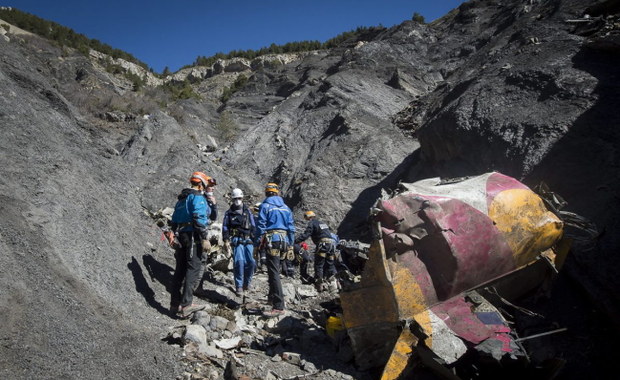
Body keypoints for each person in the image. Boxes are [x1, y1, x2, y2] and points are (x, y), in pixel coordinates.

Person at [169, 171, 211, 318]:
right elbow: (199, 216)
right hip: (194, 236)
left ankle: (174, 304)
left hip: (181, 235)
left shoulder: (181, 199)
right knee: (193, 268)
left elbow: (173, 219)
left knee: (179, 269)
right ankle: (186, 304)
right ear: (200, 184)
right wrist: (204, 237)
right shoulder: (197, 197)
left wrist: (173, 233)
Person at [256, 182, 295, 317]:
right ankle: (272, 299)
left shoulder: (265, 206)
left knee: (273, 272)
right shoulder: (286, 208)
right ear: (277, 193)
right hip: (284, 240)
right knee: (275, 270)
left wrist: (257, 242)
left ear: (267, 193)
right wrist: (290, 245)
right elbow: (291, 227)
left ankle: (278, 306)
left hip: (272, 240)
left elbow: (260, 225)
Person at [222, 188, 256, 296]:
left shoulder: (247, 211)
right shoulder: (229, 213)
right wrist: (226, 240)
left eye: (239, 198)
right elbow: (225, 227)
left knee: (251, 262)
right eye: (235, 198)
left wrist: (256, 240)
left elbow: (253, 225)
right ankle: (239, 286)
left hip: (248, 239)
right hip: (236, 240)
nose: (237, 200)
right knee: (239, 262)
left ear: (242, 198)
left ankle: (247, 282)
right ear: (232, 199)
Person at [295, 210, 336, 292]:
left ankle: (319, 285)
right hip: (332, 245)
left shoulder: (312, 223)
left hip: (323, 244)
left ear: (308, 217)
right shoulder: (322, 223)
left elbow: (306, 234)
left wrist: (296, 241)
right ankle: (333, 286)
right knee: (330, 264)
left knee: (319, 264)